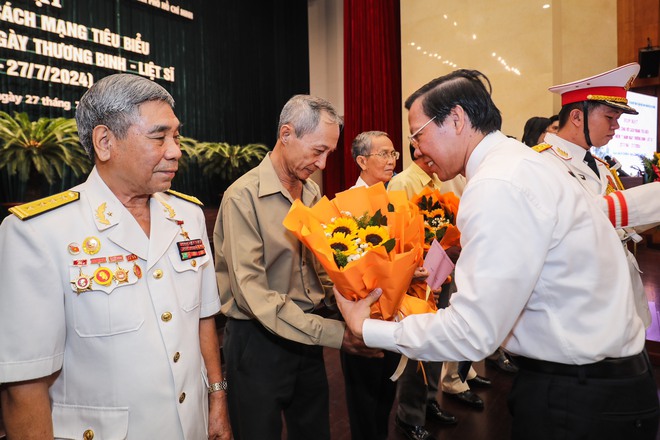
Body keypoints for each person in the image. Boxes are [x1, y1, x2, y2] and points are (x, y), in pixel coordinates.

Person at [334, 69, 660, 440]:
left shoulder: (497, 184)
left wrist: (366, 329)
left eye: (418, 135)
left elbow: (473, 332)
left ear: (456, 119)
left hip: (580, 396)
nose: (416, 150)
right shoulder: (518, 163)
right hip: (601, 384)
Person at [0, 73, 231, 440]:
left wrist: (217, 400)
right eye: (159, 137)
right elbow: (24, 386)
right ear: (105, 142)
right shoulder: (37, 233)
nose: (175, 151)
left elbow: (203, 318)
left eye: (176, 136)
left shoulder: (187, 217)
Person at [214, 95, 379, 440]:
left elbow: (321, 268)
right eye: (318, 151)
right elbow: (253, 295)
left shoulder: (311, 193)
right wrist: (337, 334)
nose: (322, 163)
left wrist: (360, 300)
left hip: (307, 336)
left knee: (314, 430)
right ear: (286, 134)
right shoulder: (241, 197)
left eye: (329, 154)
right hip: (258, 343)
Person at [538, 62, 660, 330]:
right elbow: (582, 216)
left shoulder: (600, 164)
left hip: (621, 293)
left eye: (618, 119)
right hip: (582, 304)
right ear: (577, 117)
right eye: (610, 117)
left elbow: (622, 222)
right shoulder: (542, 164)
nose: (616, 126)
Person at [340, 130, 403, 440]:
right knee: (364, 408)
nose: (391, 160)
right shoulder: (346, 207)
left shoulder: (394, 200)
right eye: (384, 154)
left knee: (385, 401)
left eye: (393, 154)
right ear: (361, 161)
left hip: (393, 317)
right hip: (363, 320)